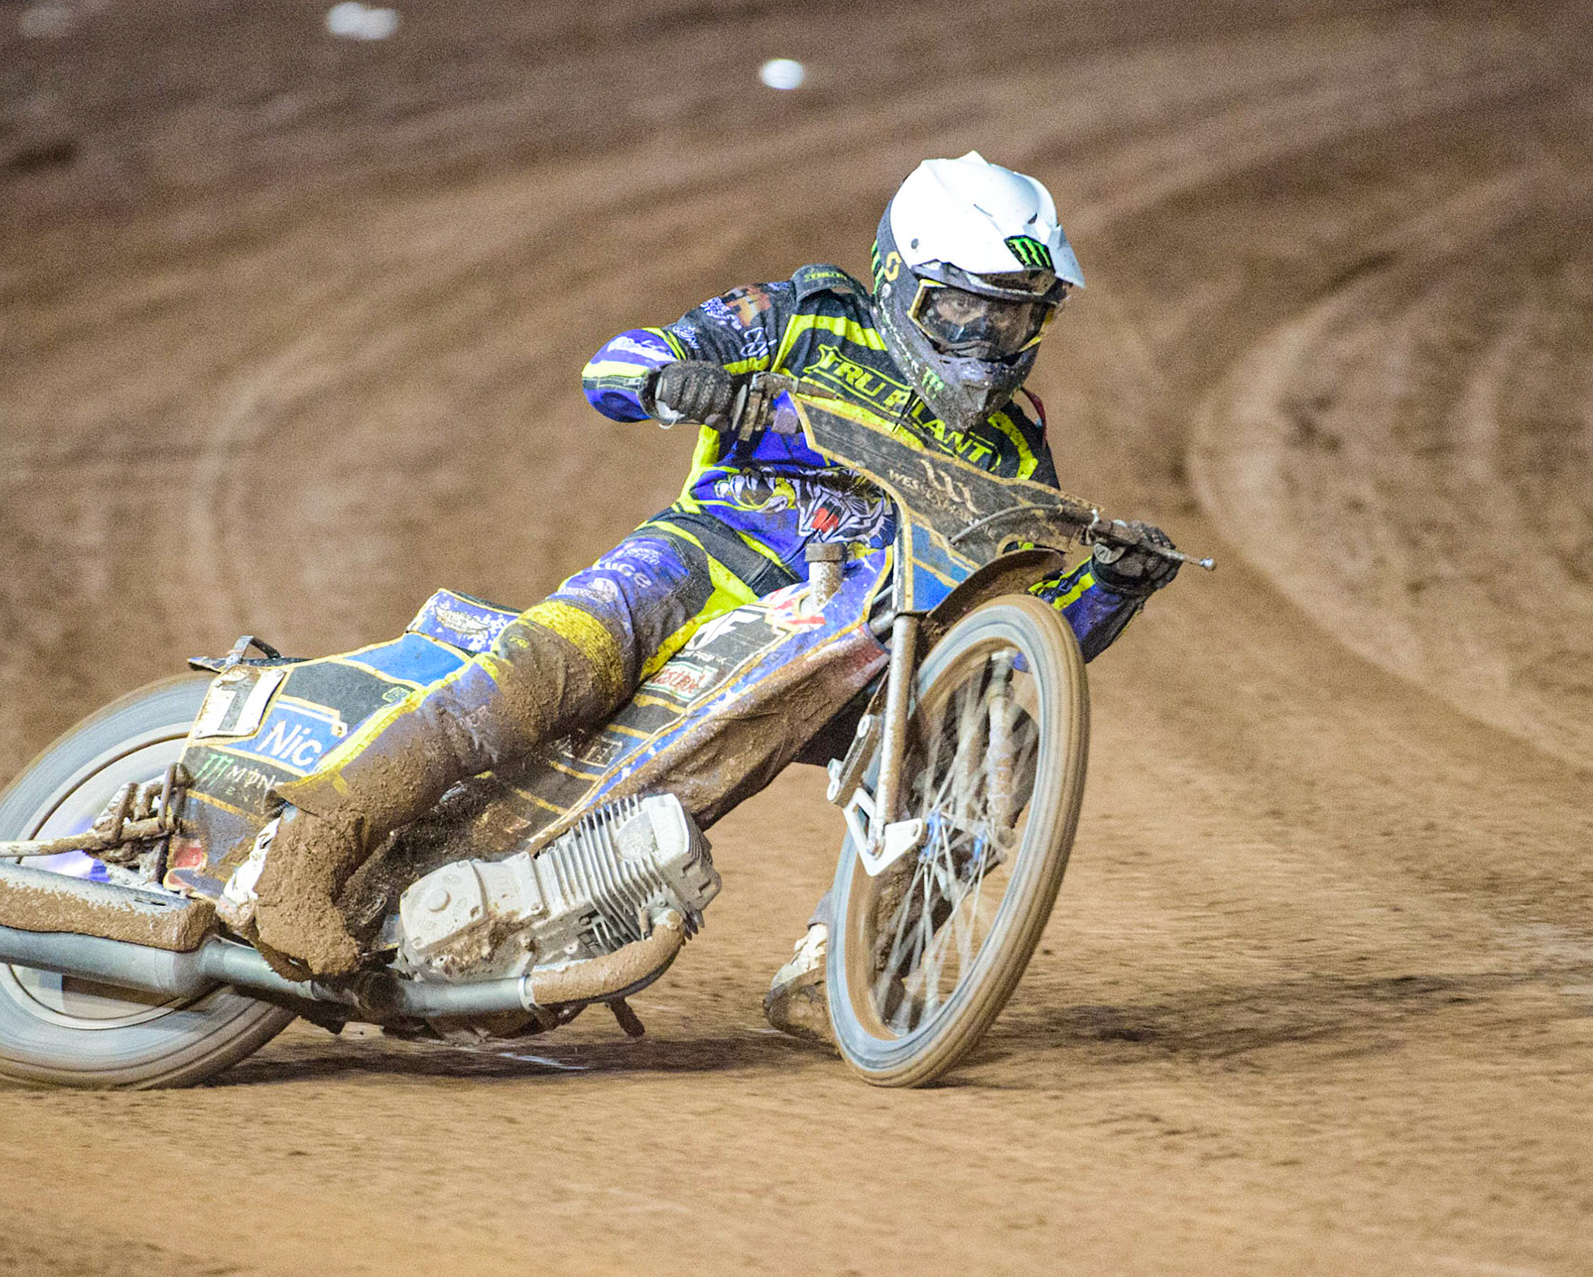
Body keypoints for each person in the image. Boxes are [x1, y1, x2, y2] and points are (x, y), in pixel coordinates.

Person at [237, 154, 1180, 1039]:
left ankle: (841, 974)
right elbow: (614, 365)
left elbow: (1015, 635)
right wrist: (680, 380)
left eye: (1010, 320)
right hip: (709, 556)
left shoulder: (1018, 442)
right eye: (963, 313)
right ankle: (305, 851)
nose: (986, 342)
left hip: (857, 645)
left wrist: (1109, 589)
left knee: (994, 740)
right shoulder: (811, 311)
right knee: (560, 663)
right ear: (899, 278)